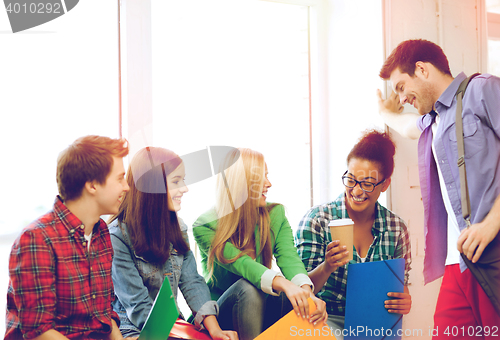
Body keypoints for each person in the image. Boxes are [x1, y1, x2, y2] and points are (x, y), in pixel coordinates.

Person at [377, 39, 500, 337]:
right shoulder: (432, 121)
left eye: (402, 87)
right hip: (456, 262)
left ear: (422, 69)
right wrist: (384, 113)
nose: (403, 97)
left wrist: (491, 224)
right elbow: (407, 127)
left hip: (492, 252)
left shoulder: (482, 90)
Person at [193, 148, 327, 340]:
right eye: (260, 178)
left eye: (267, 175)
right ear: (240, 183)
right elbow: (243, 265)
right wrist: (285, 284)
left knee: (293, 296)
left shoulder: (275, 214)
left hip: (262, 308)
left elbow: (290, 258)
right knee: (249, 287)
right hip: (223, 313)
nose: (269, 184)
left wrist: (307, 294)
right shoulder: (205, 225)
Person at [5, 135, 130, 340]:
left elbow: (104, 315)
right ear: (92, 185)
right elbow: (39, 331)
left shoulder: (101, 232)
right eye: (119, 178)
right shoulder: (36, 239)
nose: (126, 187)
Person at [108, 146, 237, 340]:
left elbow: (192, 282)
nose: (184, 188)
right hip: (134, 330)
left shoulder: (178, 227)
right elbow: (139, 307)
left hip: (173, 327)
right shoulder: (117, 237)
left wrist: (215, 330)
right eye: (176, 181)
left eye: (183, 180)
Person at [295, 130, 412, 340]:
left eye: (367, 184)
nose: (357, 191)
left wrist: (404, 300)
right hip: (325, 320)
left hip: (375, 324)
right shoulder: (318, 220)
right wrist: (327, 267)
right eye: (351, 180)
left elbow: (399, 284)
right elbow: (299, 289)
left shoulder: (396, 229)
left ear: (385, 184)